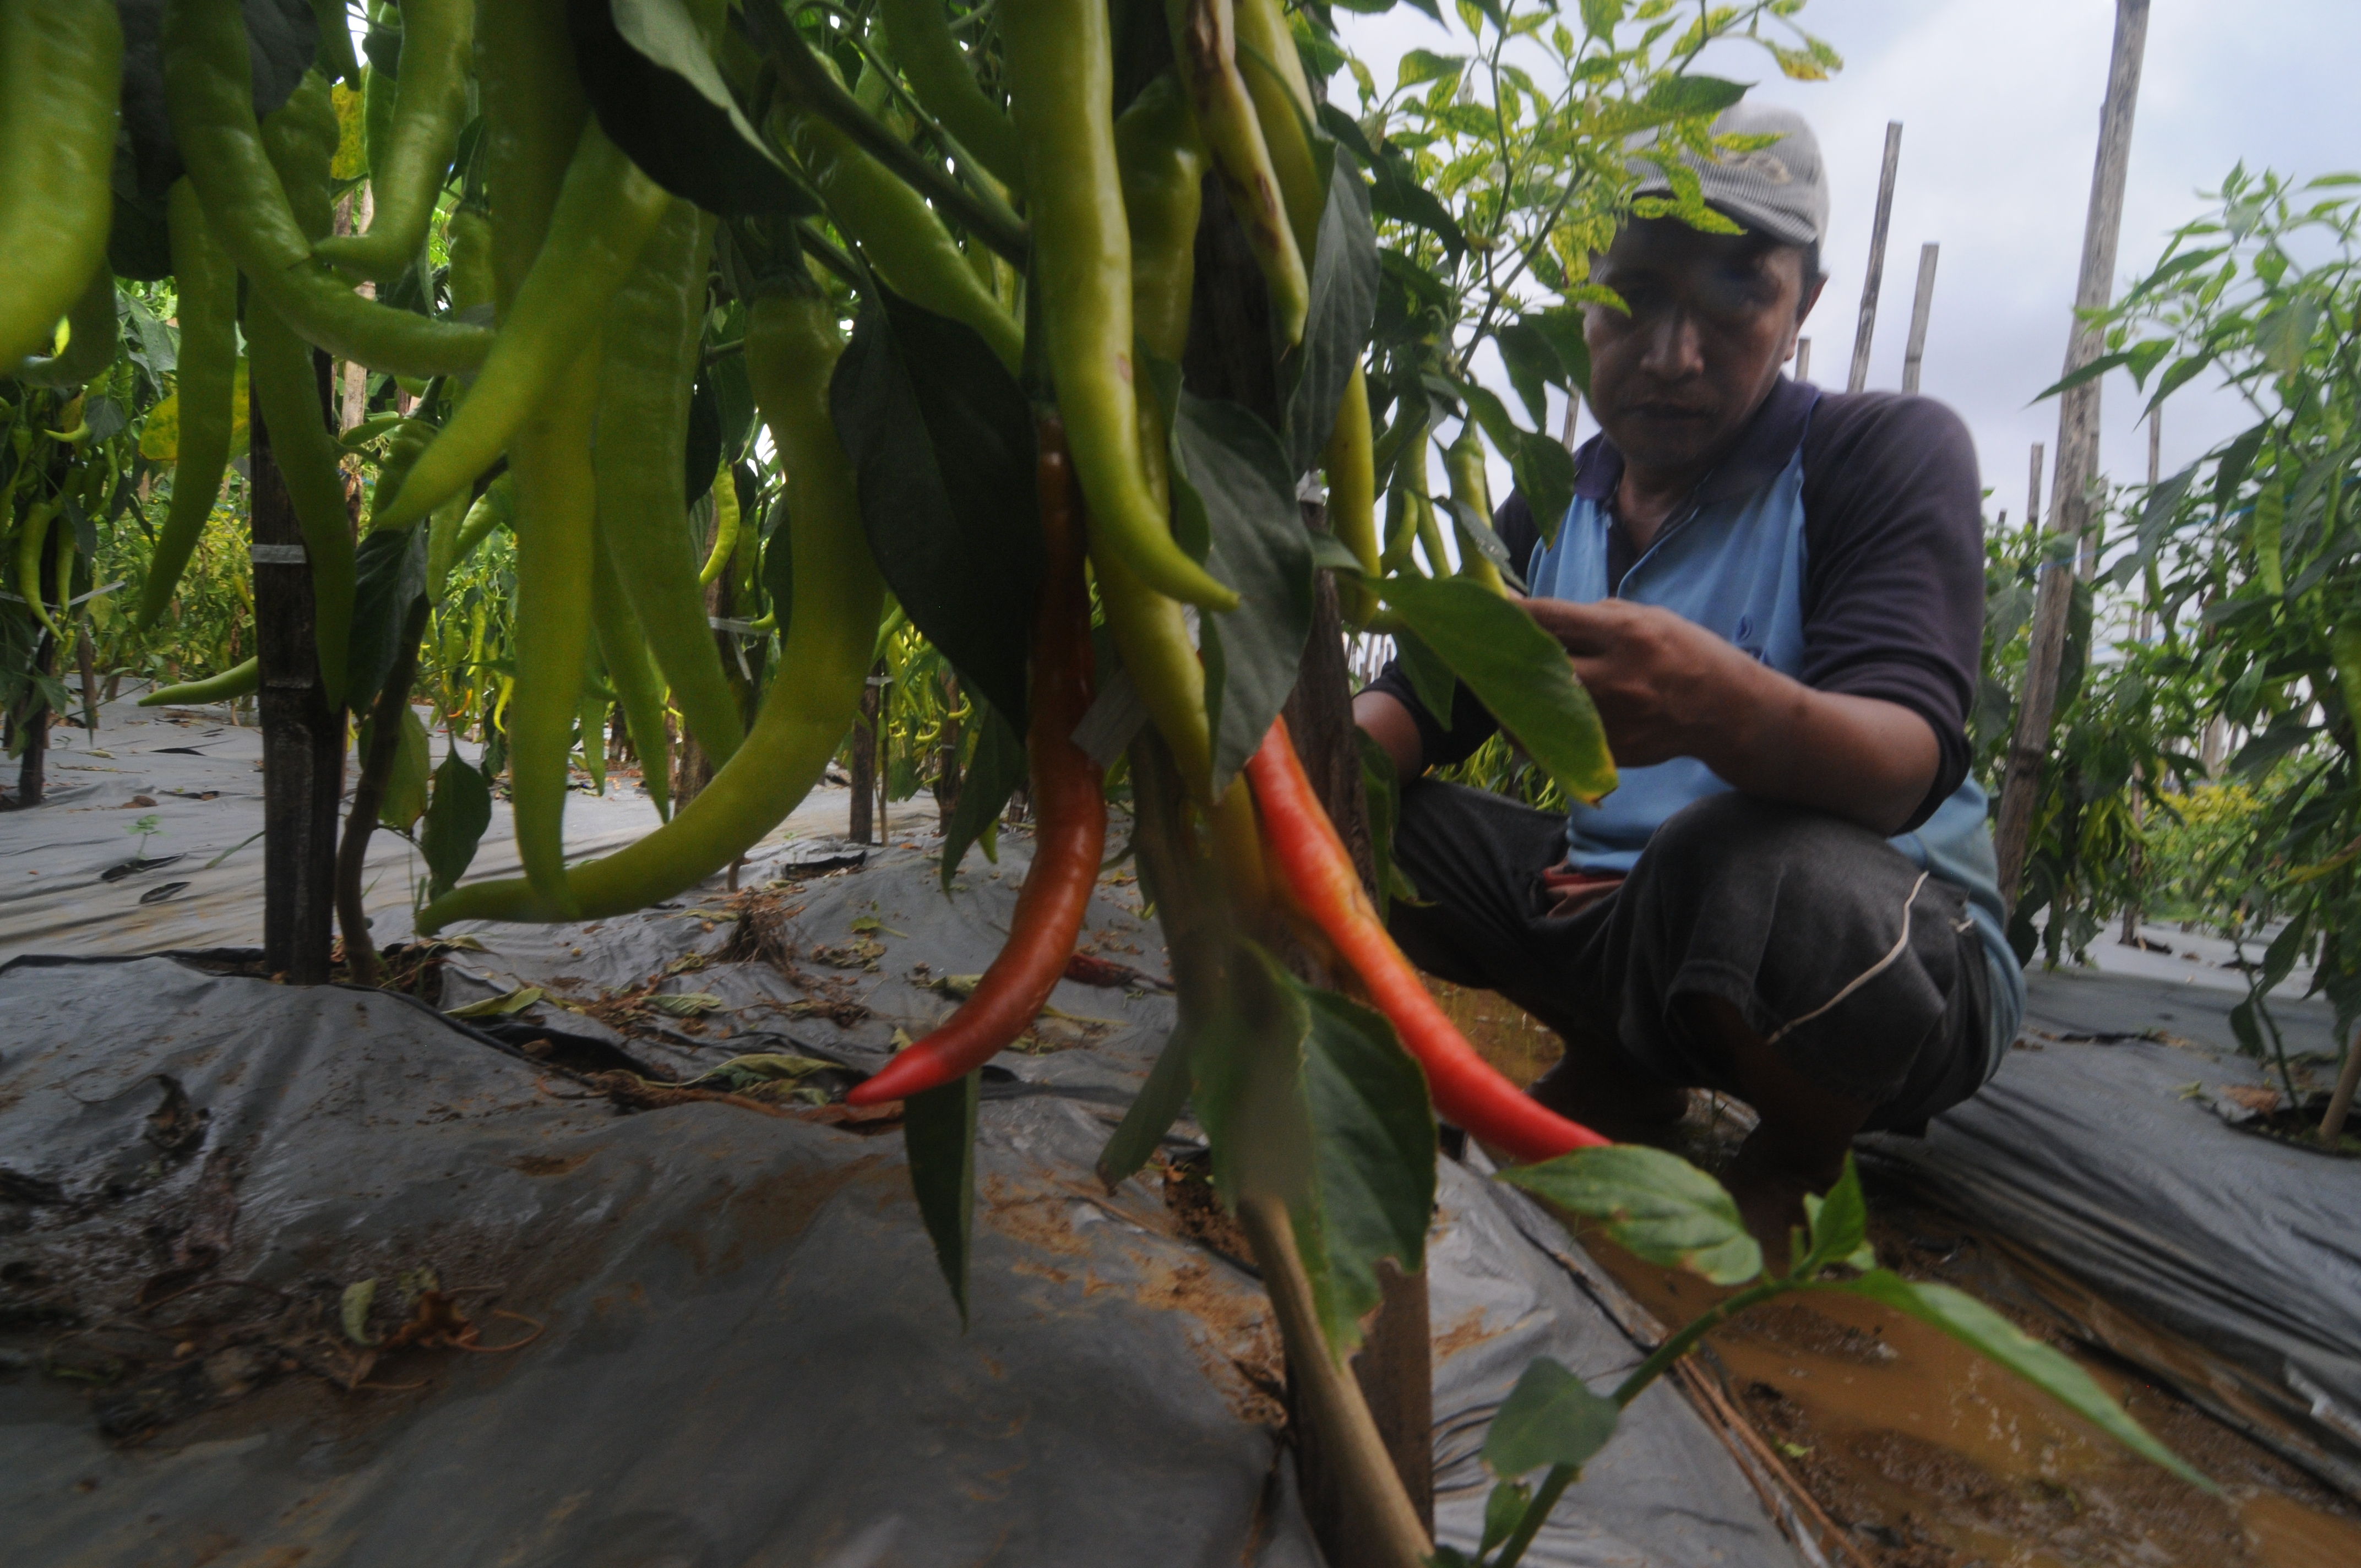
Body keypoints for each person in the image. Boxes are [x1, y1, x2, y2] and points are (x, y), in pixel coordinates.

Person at [1354, 103, 2024, 1247]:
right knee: (1366, 815)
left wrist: (1722, 706)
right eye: (1633, 294)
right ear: (1581, 290)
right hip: (1628, 919)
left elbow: (1903, 758)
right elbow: (1424, 698)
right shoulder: (1557, 497)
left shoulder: (1875, 454)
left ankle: (1802, 1153)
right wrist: (1294, 763)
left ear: (1800, 304)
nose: (1673, 355)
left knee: (1730, 854)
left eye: (1733, 298)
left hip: (1890, 950)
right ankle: (1623, 1072)